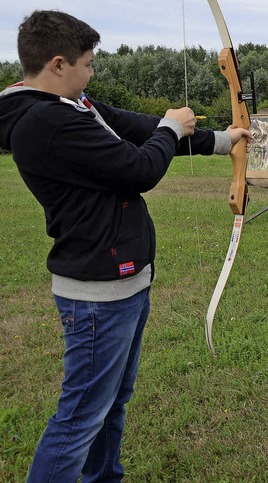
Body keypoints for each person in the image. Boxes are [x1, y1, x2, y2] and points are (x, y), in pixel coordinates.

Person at [0, 10, 251, 482]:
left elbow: (135, 128)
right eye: (88, 63)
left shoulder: (72, 107)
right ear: (58, 64)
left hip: (122, 282)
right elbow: (138, 166)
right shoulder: (45, 122)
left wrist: (221, 140)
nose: (91, 72)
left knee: (111, 405)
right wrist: (172, 127)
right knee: (79, 418)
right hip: (97, 293)